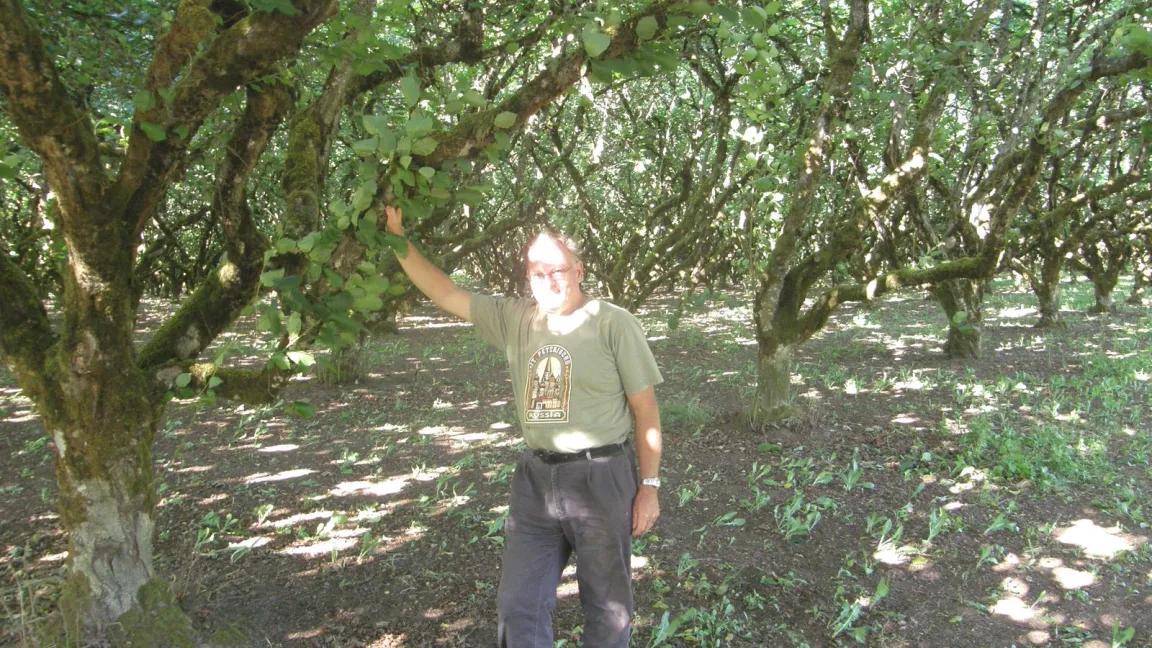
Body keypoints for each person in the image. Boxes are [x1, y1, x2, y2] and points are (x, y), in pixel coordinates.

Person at [383, 206, 663, 647]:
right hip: (536, 481)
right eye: (536, 273)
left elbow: (646, 411)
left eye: (557, 271)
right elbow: (445, 292)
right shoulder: (518, 318)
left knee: (607, 607)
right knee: (519, 603)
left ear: (579, 271)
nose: (547, 281)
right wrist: (398, 238)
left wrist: (649, 486)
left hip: (601, 476)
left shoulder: (613, 323)